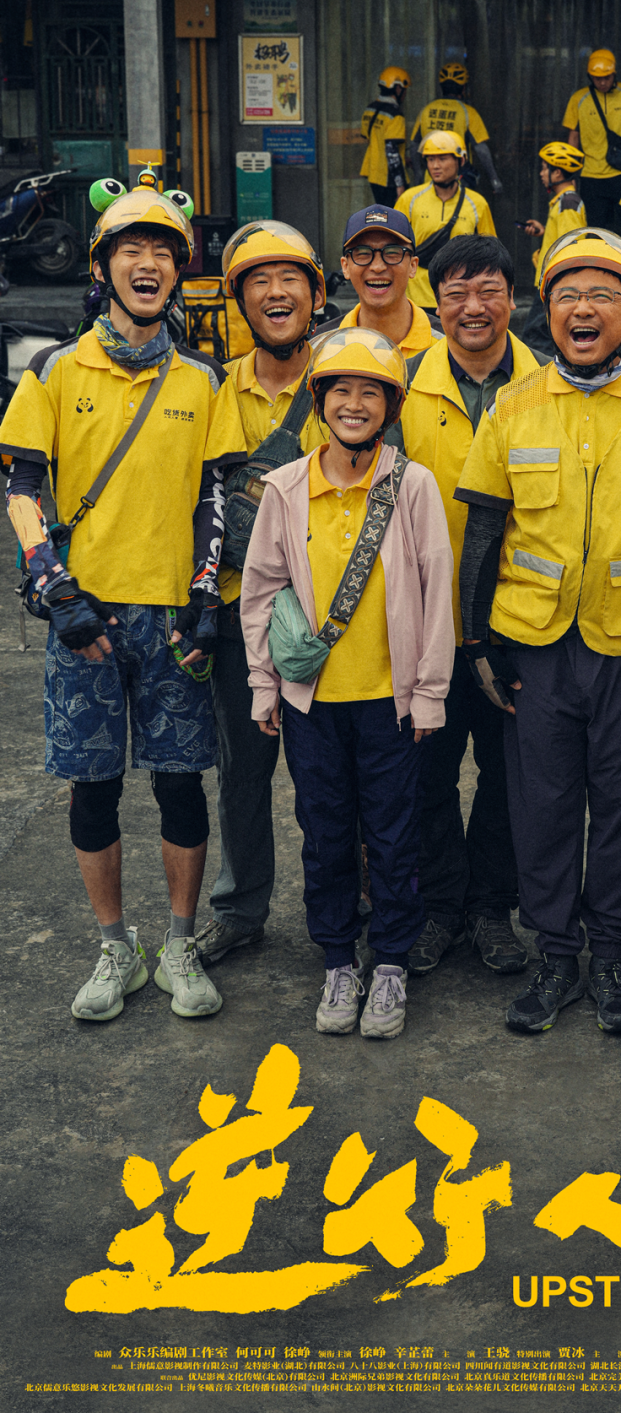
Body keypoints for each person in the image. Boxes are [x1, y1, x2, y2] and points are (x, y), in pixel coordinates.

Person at [0, 184, 247, 1022]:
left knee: (181, 784)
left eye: (165, 252)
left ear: (180, 272)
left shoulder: (203, 379)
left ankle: (178, 941)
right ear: (102, 268)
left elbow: (214, 495)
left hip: (173, 621)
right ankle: (116, 947)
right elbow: (24, 486)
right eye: (131, 251)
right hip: (89, 620)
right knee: (92, 789)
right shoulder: (54, 369)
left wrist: (205, 594)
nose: (149, 264)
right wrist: (51, 584)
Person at [455, 229, 621, 1035]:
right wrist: (474, 643)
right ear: (548, 313)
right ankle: (556, 953)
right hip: (534, 644)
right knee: (543, 804)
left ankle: (611, 957)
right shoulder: (513, 405)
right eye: (567, 295)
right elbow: (484, 534)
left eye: (602, 294)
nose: (583, 309)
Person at [240, 328, 455, 1039]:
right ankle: (338, 959)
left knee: (394, 837)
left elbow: (434, 590)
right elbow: (262, 590)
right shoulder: (286, 486)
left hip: (389, 704)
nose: (355, 404)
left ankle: (389, 962)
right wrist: (263, 685)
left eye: (371, 392)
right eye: (342, 390)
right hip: (313, 705)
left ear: (390, 405)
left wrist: (429, 691)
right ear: (320, 400)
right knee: (325, 833)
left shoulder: (412, 484)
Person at [392, 235, 542, 980]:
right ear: (435, 301)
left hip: (519, 624)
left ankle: (491, 907)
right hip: (423, 625)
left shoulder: (549, 384)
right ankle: (438, 907)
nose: (473, 307)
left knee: (508, 777)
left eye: (488, 290)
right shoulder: (401, 387)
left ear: (513, 300)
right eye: (455, 292)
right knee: (425, 775)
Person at [195, 221, 327, 969]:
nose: (276, 293)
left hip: (327, 617)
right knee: (242, 771)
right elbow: (209, 499)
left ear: (315, 291)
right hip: (243, 615)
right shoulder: (221, 387)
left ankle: (341, 903)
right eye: (257, 282)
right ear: (239, 299)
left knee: (328, 775)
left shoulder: (345, 374)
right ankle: (241, 907)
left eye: (289, 280)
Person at [396, 131, 497, 314]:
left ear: (461, 161)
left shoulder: (477, 203)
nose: (435, 166)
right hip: (416, 298)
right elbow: (394, 248)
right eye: (430, 159)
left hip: (459, 299)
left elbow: (490, 254)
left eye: (442, 159)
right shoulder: (409, 199)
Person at [328, 206, 438, 361]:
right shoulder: (321, 346)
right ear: (345, 267)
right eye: (363, 253)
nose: (378, 267)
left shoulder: (448, 343)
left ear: (413, 266)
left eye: (392, 253)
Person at [563, 49, 621, 233]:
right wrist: (569, 173)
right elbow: (574, 137)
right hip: (591, 176)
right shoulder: (579, 99)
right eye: (597, 78)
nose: (602, 82)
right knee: (595, 229)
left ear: (614, 75)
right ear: (590, 77)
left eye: (606, 77)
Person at [410, 61, 502, 197]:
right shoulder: (467, 112)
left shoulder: (426, 110)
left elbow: (414, 145)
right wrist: (494, 179)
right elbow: (481, 149)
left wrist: (418, 174)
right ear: (464, 88)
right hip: (458, 180)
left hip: (430, 179)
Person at [524, 142, 586, 286]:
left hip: (555, 282)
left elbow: (571, 246)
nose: (541, 173)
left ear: (557, 173)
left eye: (544, 169)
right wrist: (544, 231)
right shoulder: (563, 201)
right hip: (551, 280)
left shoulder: (568, 203)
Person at [360, 66, 411, 204]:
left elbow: (368, 137)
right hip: (390, 179)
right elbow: (391, 151)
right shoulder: (395, 115)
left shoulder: (370, 109)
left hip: (373, 173)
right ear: (398, 88)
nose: (405, 94)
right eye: (405, 90)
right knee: (397, 219)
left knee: (383, 216)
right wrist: (400, 185)